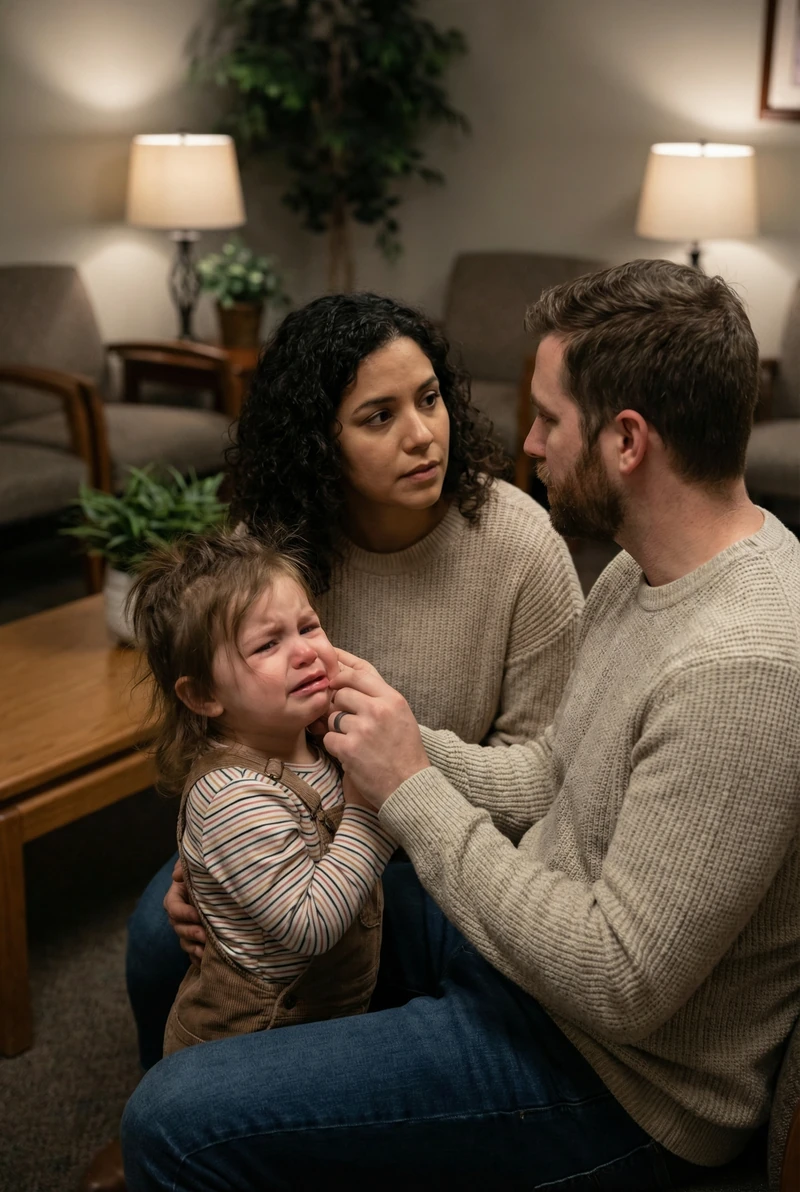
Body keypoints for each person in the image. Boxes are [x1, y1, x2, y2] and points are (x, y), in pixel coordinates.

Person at [121, 260, 800, 1191]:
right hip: (522, 953)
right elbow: (552, 777)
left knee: (172, 1123)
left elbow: (619, 981)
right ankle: (240, 1127)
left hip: (615, 1077)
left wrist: (409, 790)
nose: (525, 439)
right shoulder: (643, 572)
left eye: (551, 419)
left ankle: (211, 1139)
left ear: (627, 442)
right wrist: (387, 734)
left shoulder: (741, 671)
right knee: (182, 931)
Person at [82, 294, 583, 1190]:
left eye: (429, 400)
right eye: (378, 417)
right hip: (292, 818)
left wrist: (399, 762)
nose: (423, 435)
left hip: (440, 844)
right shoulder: (271, 546)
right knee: (161, 937)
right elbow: (216, 722)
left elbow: (548, 781)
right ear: (320, 443)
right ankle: (183, 1128)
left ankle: (244, 1121)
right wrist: (209, 856)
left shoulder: (519, 543)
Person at [128, 531, 394, 1056]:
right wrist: (373, 805)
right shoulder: (234, 796)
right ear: (203, 694)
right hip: (252, 1041)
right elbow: (311, 924)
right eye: (267, 644)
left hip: (326, 1015)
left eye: (308, 626)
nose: (304, 652)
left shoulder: (312, 741)